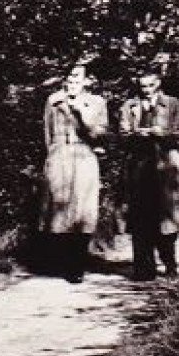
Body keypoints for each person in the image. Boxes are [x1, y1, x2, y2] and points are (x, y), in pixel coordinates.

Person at [38, 63, 109, 283]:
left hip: (85, 156)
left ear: (86, 81)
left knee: (84, 212)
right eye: (69, 79)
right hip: (60, 157)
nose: (72, 84)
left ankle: (77, 265)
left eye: (77, 80)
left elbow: (100, 133)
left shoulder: (96, 103)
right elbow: (47, 133)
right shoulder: (53, 101)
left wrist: (82, 111)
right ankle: (61, 262)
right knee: (59, 210)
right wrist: (51, 156)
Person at [119, 70, 179, 280]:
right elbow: (122, 135)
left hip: (165, 168)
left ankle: (170, 264)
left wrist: (163, 133)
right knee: (140, 218)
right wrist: (136, 134)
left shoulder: (171, 104)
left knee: (165, 217)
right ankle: (143, 268)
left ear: (158, 84)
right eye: (143, 86)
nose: (146, 90)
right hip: (139, 167)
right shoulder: (129, 106)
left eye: (150, 85)